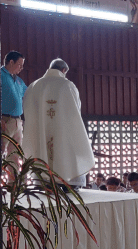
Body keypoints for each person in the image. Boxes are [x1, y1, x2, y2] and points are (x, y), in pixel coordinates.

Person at [23, 58, 95, 187]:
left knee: (41, 149)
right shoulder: (67, 85)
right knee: (63, 149)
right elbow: (75, 110)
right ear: (63, 70)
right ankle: (66, 182)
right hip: (61, 130)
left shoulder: (34, 85)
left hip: (40, 130)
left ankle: (42, 181)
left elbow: (28, 111)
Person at [1, 51, 26, 183]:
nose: (21, 68)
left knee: (15, 154)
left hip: (17, 121)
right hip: (4, 120)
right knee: (1, 151)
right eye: (19, 64)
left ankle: (13, 184)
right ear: (11, 62)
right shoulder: (1, 75)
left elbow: (28, 94)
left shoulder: (19, 80)